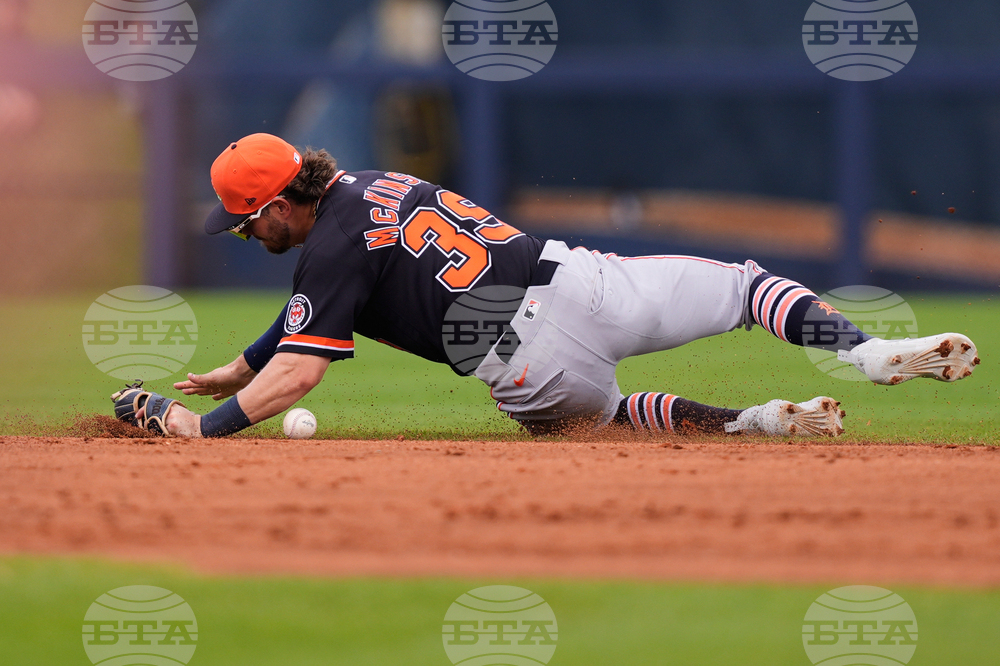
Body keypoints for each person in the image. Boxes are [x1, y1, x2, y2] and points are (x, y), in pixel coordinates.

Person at [115, 133, 980, 438]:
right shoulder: (365, 186)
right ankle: (862, 355)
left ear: (275, 205)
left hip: (525, 362)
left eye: (248, 220)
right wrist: (243, 359)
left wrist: (206, 422)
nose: (248, 234)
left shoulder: (327, 250)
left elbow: (303, 369)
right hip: (578, 279)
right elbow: (314, 303)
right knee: (749, 288)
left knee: (598, 421)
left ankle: (747, 424)